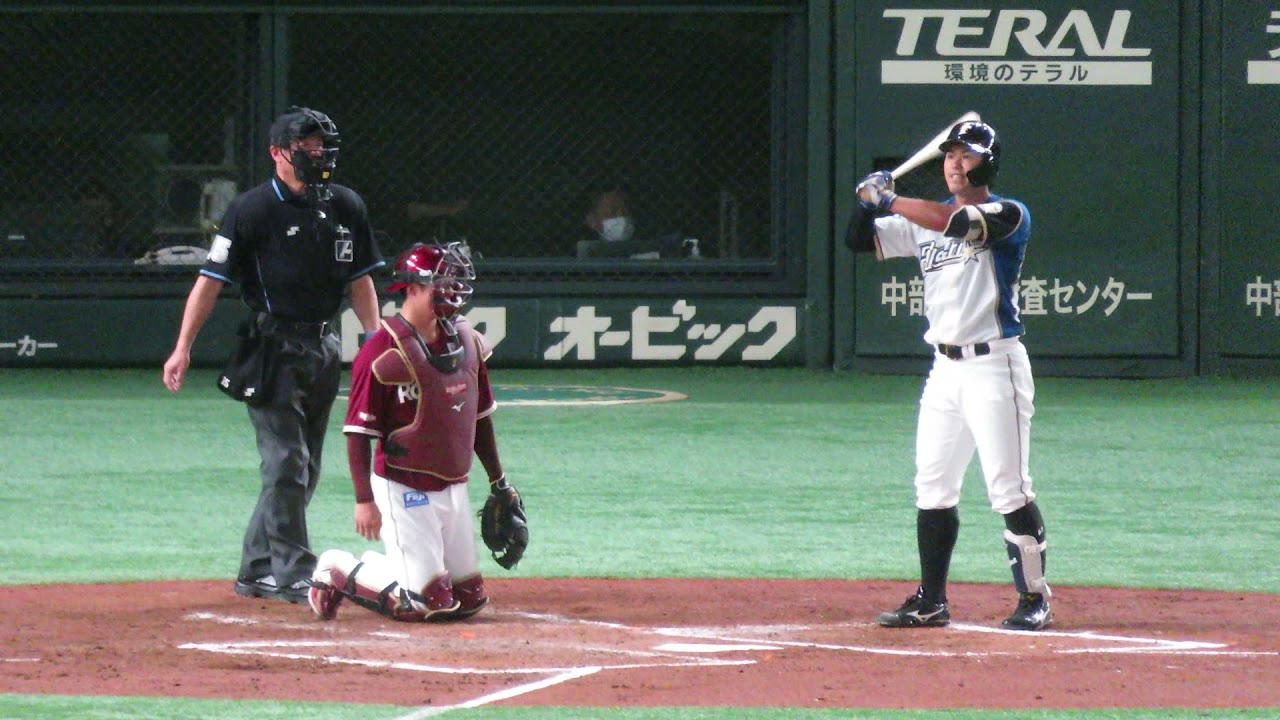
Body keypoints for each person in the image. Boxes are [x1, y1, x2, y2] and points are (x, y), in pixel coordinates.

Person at [161, 106, 386, 604]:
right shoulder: (252, 209)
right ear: (277, 152)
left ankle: (256, 568)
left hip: (324, 345)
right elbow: (210, 281)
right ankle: (294, 572)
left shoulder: (346, 205)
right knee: (287, 462)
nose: (317, 154)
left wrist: (374, 341)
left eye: (322, 145)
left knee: (305, 467)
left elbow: (361, 280)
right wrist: (182, 347)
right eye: (306, 146)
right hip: (272, 347)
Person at [846, 119, 1052, 631]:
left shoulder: (1008, 214)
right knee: (933, 487)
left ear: (988, 163)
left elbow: (953, 222)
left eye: (968, 155)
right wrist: (865, 204)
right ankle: (931, 600)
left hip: (994, 366)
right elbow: (858, 241)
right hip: (944, 370)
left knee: (1008, 488)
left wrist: (889, 198)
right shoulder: (921, 220)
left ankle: (1035, 598)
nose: (956, 163)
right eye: (951, 155)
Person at [306, 241, 510, 622]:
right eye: (442, 284)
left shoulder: (466, 342)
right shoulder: (381, 351)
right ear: (413, 288)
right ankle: (336, 569)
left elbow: (480, 417)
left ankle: (402, 569)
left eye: (454, 283)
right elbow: (357, 432)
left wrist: (499, 481)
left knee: (469, 599)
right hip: (404, 488)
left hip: (454, 485)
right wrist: (364, 500)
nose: (452, 292)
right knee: (424, 604)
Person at [576, 186, 696, 259]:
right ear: (591, 220)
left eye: (625, 211)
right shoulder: (579, 254)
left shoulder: (652, 247)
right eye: (612, 212)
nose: (621, 217)